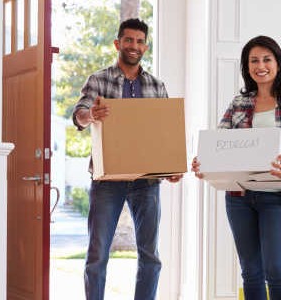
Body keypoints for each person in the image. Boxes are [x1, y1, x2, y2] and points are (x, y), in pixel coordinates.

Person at [192, 35, 281, 300]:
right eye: (253, 61)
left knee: (276, 269)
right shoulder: (239, 103)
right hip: (240, 197)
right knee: (251, 271)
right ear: (247, 67)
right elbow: (219, 141)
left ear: (278, 63)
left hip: (278, 196)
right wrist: (204, 164)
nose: (260, 66)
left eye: (266, 59)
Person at [71, 18, 181, 300]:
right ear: (118, 43)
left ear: (146, 46)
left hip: (146, 181)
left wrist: (172, 166)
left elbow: (164, 134)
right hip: (108, 180)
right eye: (129, 40)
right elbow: (79, 115)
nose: (134, 46)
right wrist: (91, 115)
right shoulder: (98, 80)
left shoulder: (157, 86)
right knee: (97, 254)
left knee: (150, 256)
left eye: (140, 41)